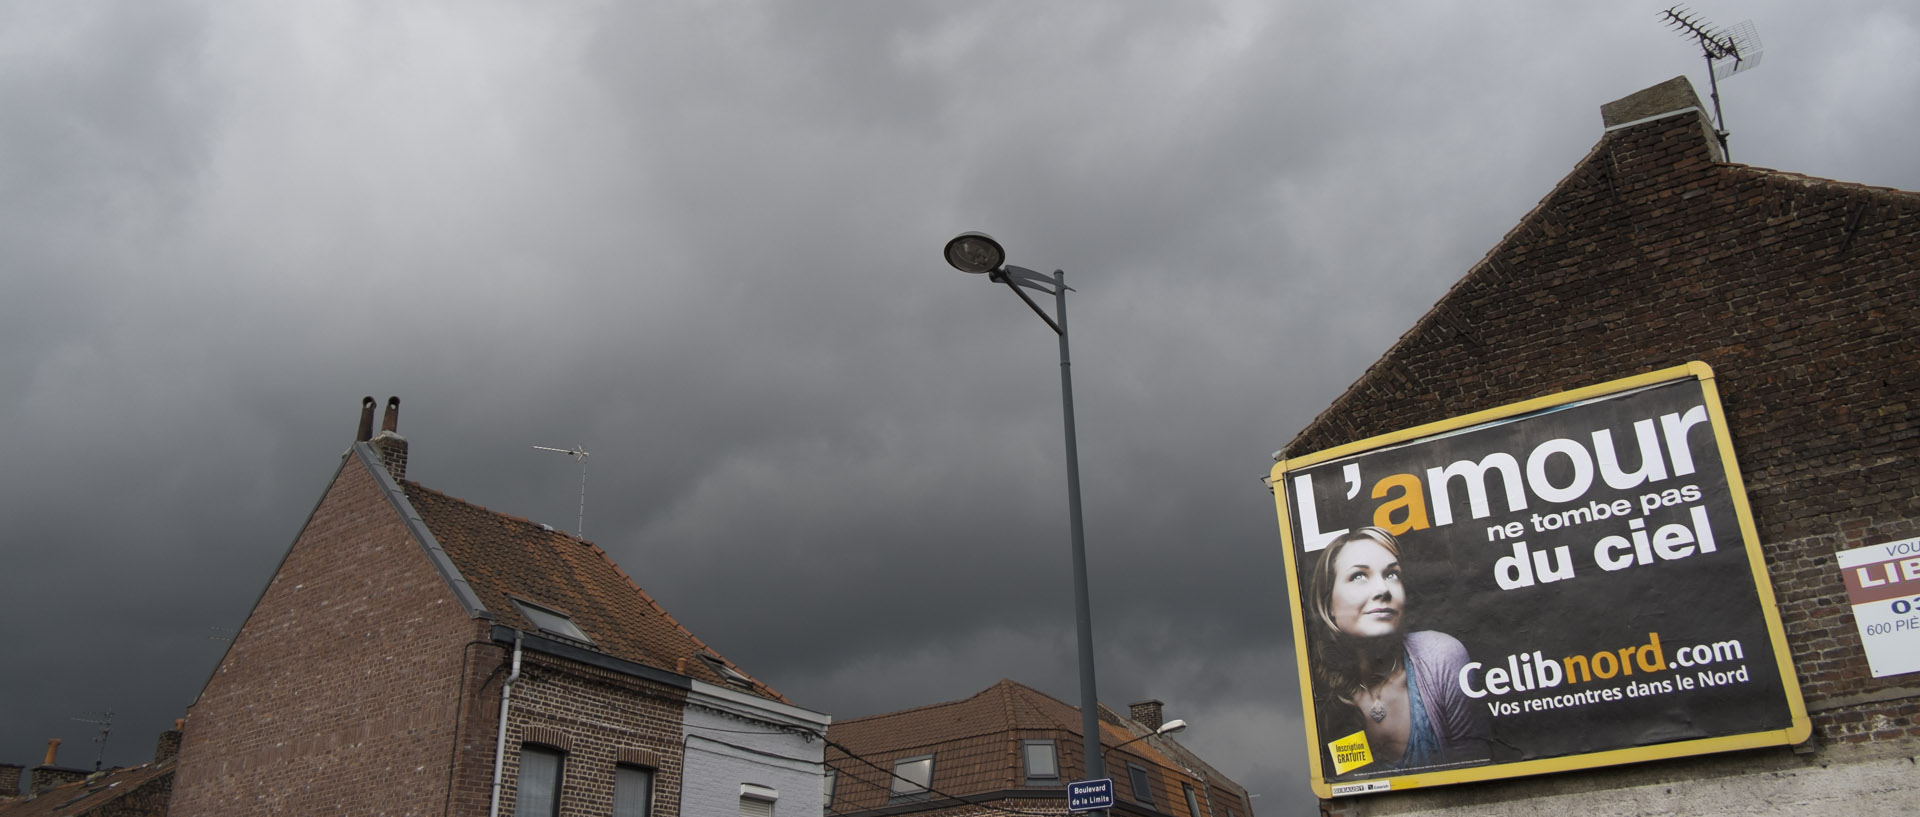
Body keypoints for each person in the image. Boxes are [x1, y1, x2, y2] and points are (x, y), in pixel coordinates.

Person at [1307, 527, 1487, 773]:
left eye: (1392, 575)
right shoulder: (1323, 692)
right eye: (1359, 576)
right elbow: (1358, 794)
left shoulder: (1441, 656)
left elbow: (1475, 769)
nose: (1383, 590)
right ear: (1329, 606)